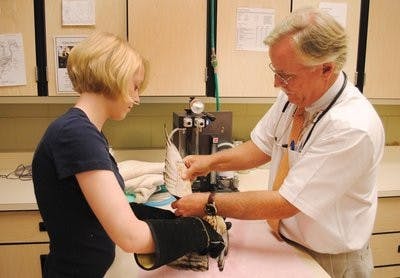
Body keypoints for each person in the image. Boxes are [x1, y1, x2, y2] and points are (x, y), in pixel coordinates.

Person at [172, 7, 385, 278]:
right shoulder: (295, 96)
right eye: (276, 71)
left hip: (331, 260)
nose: (276, 83)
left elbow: (286, 203)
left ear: (327, 68)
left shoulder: (352, 127)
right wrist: (209, 162)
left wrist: (209, 202)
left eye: (286, 75)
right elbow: (260, 147)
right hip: (286, 241)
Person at [32, 31, 224, 277]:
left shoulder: (81, 130)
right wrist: (198, 232)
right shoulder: (77, 135)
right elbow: (130, 237)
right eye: (135, 86)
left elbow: (97, 210)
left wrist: (169, 220)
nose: (137, 98)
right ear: (115, 77)